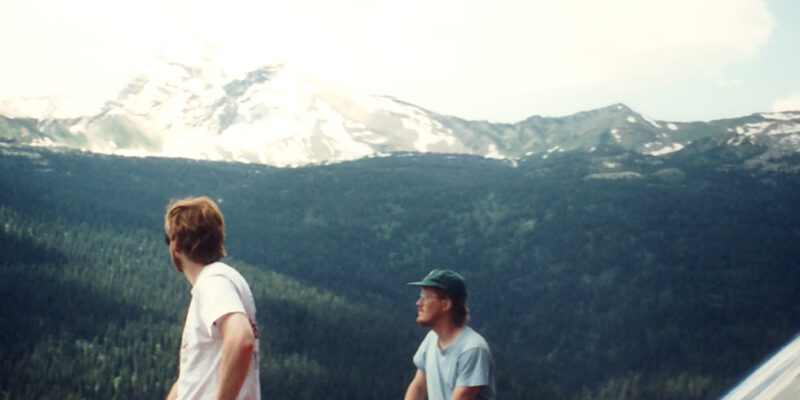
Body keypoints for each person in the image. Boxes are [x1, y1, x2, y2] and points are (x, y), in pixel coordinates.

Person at [163, 196, 260, 400]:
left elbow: (241, 340)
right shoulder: (216, 282)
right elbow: (193, 378)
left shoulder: (213, 281)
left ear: (176, 245)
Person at [404, 269, 496, 400]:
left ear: (445, 304)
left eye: (425, 297)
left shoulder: (472, 349)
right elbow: (418, 387)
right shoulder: (431, 339)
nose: (418, 303)